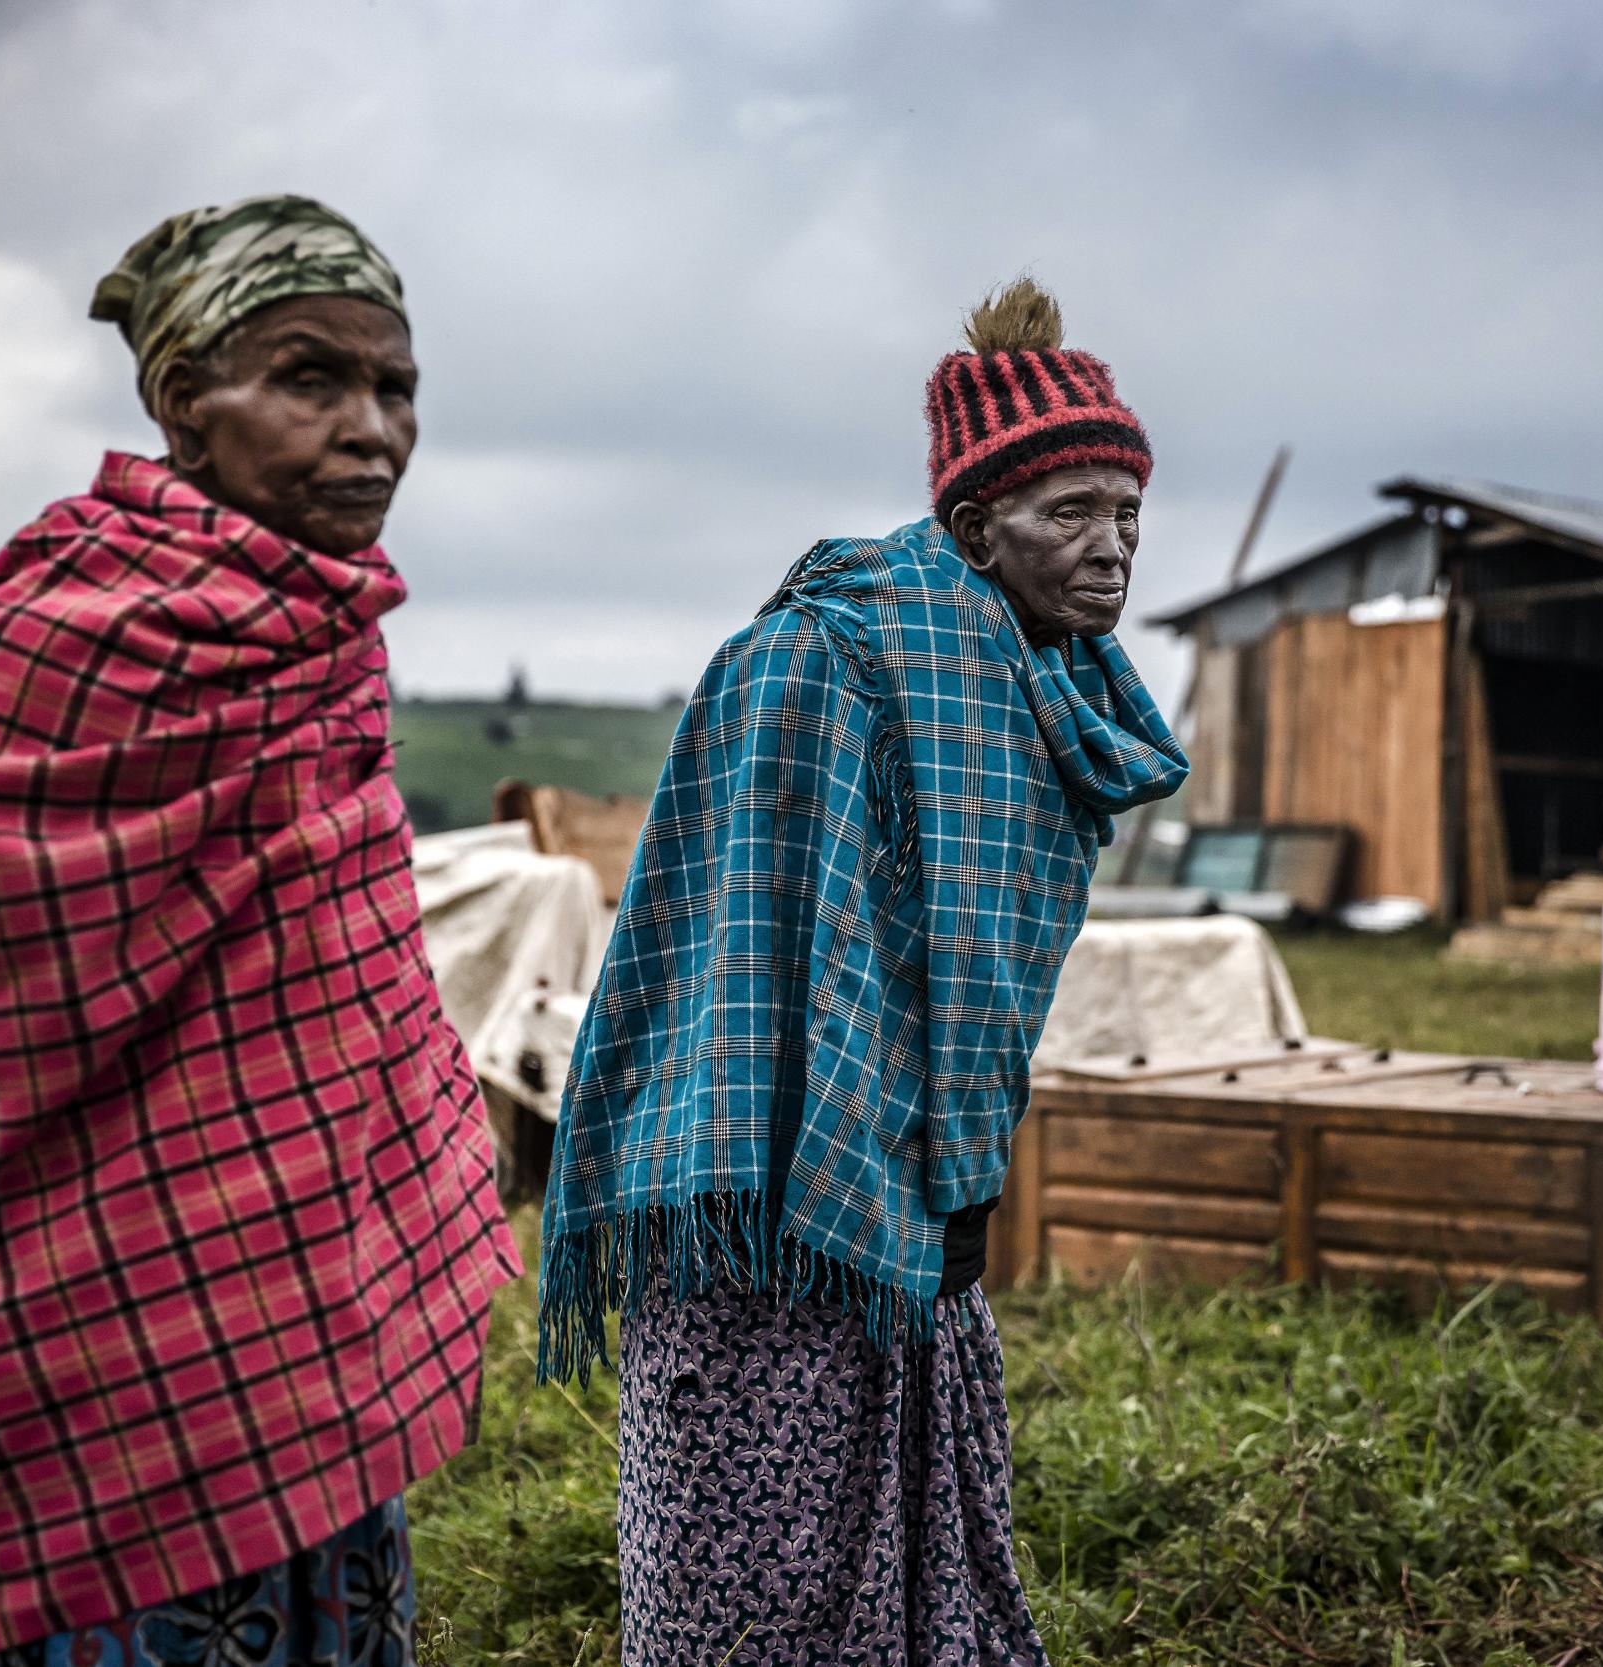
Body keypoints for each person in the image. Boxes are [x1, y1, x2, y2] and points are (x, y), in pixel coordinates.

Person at [0, 194, 520, 1667]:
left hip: (293, 1304)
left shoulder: (322, 637)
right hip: (75, 1318)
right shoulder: (56, 632)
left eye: (395, 388)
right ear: (183, 402)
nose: (371, 429)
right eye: (312, 379)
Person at [539, 278, 1187, 1665]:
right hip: (766, 1199)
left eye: (1126, 512)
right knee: (758, 1583)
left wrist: (947, 1162)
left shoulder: (1032, 682)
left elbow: (966, 967)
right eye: (1068, 513)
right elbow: (756, 949)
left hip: (914, 1198)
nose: (1112, 548)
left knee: (919, 1557)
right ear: (971, 526)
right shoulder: (818, 663)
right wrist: (877, 1152)